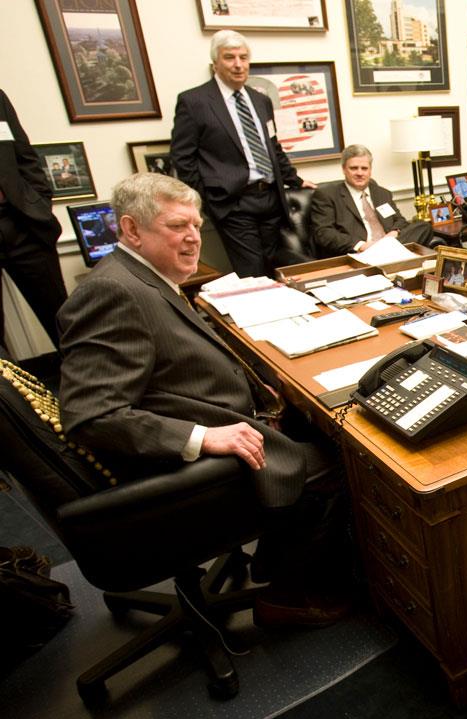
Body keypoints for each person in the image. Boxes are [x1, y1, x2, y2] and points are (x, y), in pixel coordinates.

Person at [56, 172, 349, 626]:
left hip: (229, 418)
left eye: (196, 225)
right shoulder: (113, 291)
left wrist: (261, 382)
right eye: (178, 226)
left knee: (315, 423)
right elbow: (92, 415)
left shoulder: (145, 277)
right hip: (186, 473)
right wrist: (201, 437)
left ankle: (272, 563)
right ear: (132, 230)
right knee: (344, 458)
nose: (194, 238)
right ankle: (288, 595)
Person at [170, 29, 316, 278]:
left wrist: (294, 178)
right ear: (215, 63)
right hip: (233, 203)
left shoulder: (261, 101)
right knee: (252, 272)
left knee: (277, 268)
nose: (238, 65)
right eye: (229, 57)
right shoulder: (195, 102)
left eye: (243, 57)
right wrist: (205, 199)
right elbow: (182, 158)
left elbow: (272, 146)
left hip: (270, 198)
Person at [0, 88, 68, 348]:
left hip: (22, 221)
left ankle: (91, 386)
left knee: (63, 321)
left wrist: (39, 201)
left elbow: (24, 155)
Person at [308, 144, 433, 258]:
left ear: (370, 170)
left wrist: (394, 232)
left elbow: (400, 220)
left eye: (364, 168)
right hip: (360, 252)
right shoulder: (327, 195)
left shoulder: (382, 193)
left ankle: (386, 254)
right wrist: (361, 245)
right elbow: (323, 233)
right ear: (344, 169)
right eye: (354, 168)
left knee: (424, 226)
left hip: (391, 244)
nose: (359, 173)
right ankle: (388, 256)